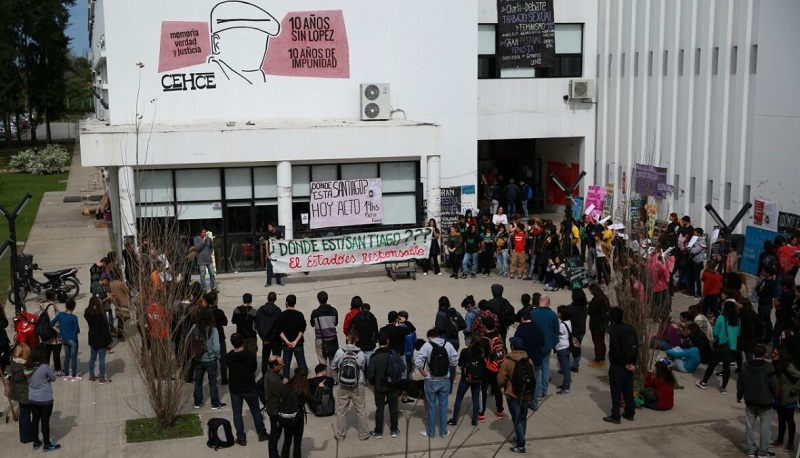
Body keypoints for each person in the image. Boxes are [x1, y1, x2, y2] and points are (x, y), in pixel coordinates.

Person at [415, 328, 458, 438]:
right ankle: (444, 432)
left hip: (431, 380)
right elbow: (455, 360)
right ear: (438, 335)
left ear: (429, 337)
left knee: (431, 406)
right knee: (443, 406)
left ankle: (430, 432)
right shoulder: (448, 345)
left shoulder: (427, 346)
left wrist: (423, 372)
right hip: (444, 380)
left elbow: (418, 361)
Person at [226, 333, 268, 446]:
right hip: (249, 386)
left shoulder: (229, 356)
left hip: (235, 388)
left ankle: (241, 437)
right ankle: (261, 433)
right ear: (242, 342)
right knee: (255, 410)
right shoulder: (249, 355)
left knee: (237, 413)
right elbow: (254, 367)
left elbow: (228, 366)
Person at [737, 344, 779, 458]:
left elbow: (740, 383)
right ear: (765, 354)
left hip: (750, 400)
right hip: (765, 402)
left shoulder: (745, 366)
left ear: (754, 353)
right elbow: (774, 385)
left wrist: (739, 396)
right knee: (765, 428)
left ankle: (750, 449)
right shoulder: (768, 368)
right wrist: (777, 397)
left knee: (749, 426)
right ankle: (763, 452)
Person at [498, 337, 534, 454]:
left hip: (512, 394)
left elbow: (500, 381)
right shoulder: (529, 360)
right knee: (523, 416)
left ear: (512, 347)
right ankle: (521, 436)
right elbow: (533, 377)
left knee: (517, 419)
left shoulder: (508, 361)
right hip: (527, 393)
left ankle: (521, 445)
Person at [697, 298, 741, 394]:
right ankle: (723, 388)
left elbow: (715, 332)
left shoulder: (721, 318)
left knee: (712, 364)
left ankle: (704, 382)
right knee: (726, 366)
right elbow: (737, 334)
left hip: (721, 345)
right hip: (732, 347)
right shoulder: (737, 320)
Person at [332, 330, 370, 442]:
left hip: (343, 385)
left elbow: (334, 367)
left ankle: (340, 435)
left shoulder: (340, 352)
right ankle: (363, 434)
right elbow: (362, 368)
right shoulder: (361, 353)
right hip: (357, 385)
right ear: (357, 339)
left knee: (341, 411)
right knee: (361, 410)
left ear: (347, 337)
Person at [603, 307, 638, 424]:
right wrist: (632, 364)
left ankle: (615, 416)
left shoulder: (614, 330)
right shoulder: (630, 328)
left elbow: (616, 350)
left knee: (616, 391)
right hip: (630, 363)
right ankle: (630, 412)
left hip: (618, 365)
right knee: (628, 389)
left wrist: (623, 364)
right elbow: (636, 346)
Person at [26, 344, 61, 451]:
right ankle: (47, 444)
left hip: (32, 397)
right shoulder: (44, 367)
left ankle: (36, 442)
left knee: (35, 419)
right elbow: (53, 378)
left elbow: (29, 380)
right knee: (45, 421)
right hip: (45, 398)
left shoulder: (27, 367)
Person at [366, 332, 400, 439]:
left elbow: (369, 373)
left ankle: (378, 431)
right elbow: (402, 368)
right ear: (388, 341)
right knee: (393, 407)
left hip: (379, 385)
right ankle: (394, 429)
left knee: (379, 408)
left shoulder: (374, 356)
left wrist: (373, 382)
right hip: (392, 385)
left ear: (378, 342)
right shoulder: (394, 354)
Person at [191, 308, 225, 409]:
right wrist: (218, 356)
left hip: (198, 359)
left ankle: (197, 401)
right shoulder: (213, 330)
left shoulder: (194, 327)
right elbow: (216, 347)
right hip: (210, 360)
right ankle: (214, 402)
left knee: (198, 381)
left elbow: (188, 340)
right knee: (213, 382)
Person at [530, 295, 559, 409]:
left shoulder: (533, 313)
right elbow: (556, 330)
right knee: (546, 367)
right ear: (548, 302)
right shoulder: (552, 314)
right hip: (547, 345)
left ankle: (538, 392)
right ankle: (544, 390)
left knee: (537, 370)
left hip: (536, 346)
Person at [447, 338, 484, 427]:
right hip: (477, 378)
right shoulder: (482, 352)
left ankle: (455, 419)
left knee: (459, 398)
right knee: (475, 399)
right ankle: (474, 420)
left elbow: (459, 363)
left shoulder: (466, 351)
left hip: (466, 377)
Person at [771, 347, 800, 453]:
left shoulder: (788, 366)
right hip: (779, 397)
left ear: (781, 355)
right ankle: (780, 439)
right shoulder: (776, 365)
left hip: (789, 398)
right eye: (772, 353)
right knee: (781, 420)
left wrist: (795, 390)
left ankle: (791, 443)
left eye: (775, 354)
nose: (773, 355)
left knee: (790, 420)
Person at [478, 316, 505, 419]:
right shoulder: (498, 336)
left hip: (486, 368)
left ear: (484, 326)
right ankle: (500, 410)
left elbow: (482, 355)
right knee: (497, 388)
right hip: (497, 366)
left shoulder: (484, 339)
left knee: (483, 390)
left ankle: (481, 413)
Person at [49, 298, 80, 381]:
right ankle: (73, 376)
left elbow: (51, 324)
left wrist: (60, 331)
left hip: (64, 339)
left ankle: (66, 375)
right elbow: (77, 330)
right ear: (73, 307)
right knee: (73, 358)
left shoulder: (60, 315)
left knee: (67, 357)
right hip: (73, 340)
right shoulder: (74, 317)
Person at [279, 294, 308, 382]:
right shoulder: (299, 315)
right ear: (295, 303)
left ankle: (285, 382)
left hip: (286, 344)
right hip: (298, 344)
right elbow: (302, 330)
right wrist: (295, 341)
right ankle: (302, 383)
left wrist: (287, 341)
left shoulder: (282, 315)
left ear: (286, 303)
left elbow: (279, 331)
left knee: (286, 366)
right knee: (301, 365)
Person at [281, 367, 309, 458]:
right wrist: (320, 388)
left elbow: (281, 401)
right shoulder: (304, 389)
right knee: (297, 443)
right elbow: (316, 401)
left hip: (287, 417)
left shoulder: (287, 386)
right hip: (298, 418)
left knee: (287, 440)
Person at [8, 343, 33, 444]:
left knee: (23, 413)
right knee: (26, 414)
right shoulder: (25, 367)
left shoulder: (13, 364)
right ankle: (26, 436)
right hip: (26, 393)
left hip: (18, 392)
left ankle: (24, 435)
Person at [85, 297, 113, 384]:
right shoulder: (101, 315)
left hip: (92, 338)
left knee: (92, 358)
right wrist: (109, 340)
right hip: (101, 339)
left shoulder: (88, 313)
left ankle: (91, 376)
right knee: (101, 359)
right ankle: (102, 378)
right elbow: (105, 329)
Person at [310, 290, 339, 371]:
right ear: (327, 299)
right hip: (332, 339)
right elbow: (336, 323)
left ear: (318, 300)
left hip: (320, 339)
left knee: (322, 362)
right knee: (333, 361)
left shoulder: (315, 313)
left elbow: (312, 324)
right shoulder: (334, 311)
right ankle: (334, 380)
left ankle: (323, 378)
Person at [256, 291, 282, 375]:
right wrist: (271, 338)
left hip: (265, 338)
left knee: (265, 357)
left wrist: (263, 338)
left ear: (267, 298)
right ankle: (276, 373)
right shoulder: (278, 311)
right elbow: (277, 327)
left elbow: (257, 324)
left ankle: (264, 374)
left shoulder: (260, 310)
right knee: (276, 357)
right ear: (275, 299)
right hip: (275, 339)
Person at [206, 291, 229, 385]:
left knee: (211, 359)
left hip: (209, 337)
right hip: (219, 337)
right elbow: (225, 322)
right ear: (215, 301)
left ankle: (212, 379)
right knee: (223, 359)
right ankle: (224, 379)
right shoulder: (218, 312)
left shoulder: (204, 312)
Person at [38, 291, 62, 376]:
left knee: (47, 353)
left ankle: (45, 370)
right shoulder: (51, 306)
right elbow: (53, 321)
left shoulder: (44, 305)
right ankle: (58, 370)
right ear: (52, 296)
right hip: (53, 334)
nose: (56, 295)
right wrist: (59, 330)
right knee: (56, 352)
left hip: (45, 333)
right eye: (55, 294)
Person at [265, 355, 286, 457]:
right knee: (275, 435)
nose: (284, 365)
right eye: (281, 364)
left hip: (275, 409)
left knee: (275, 435)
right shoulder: (273, 379)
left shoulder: (274, 374)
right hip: (275, 411)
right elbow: (283, 392)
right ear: (274, 366)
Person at [587, 284, 611, 368]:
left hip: (596, 324)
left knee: (597, 343)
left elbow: (590, 311)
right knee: (601, 341)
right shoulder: (604, 299)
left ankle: (598, 360)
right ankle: (602, 359)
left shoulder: (596, 300)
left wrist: (589, 306)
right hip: (603, 324)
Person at [568, 289, 588, 372]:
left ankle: (567, 366)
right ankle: (575, 365)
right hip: (581, 331)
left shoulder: (571, 308)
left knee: (568, 349)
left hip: (573, 332)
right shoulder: (584, 307)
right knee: (577, 348)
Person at [555, 306, 573, 395]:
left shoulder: (562, 325)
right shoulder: (568, 322)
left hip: (561, 347)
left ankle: (566, 388)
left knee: (565, 369)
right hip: (566, 346)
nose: (557, 314)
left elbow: (556, 332)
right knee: (566, 367)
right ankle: (565, 385)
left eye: (559, 312)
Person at [263, 222, 284, 287]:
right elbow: (266, 244)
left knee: (277, 267)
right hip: (270, 253)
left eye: (270, 227)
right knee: (269, 269)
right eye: (268, 227)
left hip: (277, 253)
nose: (269, 228)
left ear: (274, 227)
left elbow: (282, 240)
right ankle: (268, 282)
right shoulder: (267, 234)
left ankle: (279, 281)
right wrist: (267, 254)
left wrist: (276, 240)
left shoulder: (278, 233)